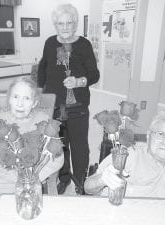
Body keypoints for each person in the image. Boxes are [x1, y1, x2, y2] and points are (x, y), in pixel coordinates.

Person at [0, 77, 64, 225]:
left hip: (31, 193)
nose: (20, 103)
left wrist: (33, 179)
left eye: (26, 98)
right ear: (9, 99)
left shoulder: (43, 122)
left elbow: (58, 156)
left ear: (34, 102)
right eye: (16, 97)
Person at [38, 3, 100, 195]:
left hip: (77, 106)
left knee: (79, 147)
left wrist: (80, 81)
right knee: (59, 145)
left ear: (75, 24)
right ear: (55, 25)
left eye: (69, 22)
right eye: (60, 23)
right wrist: (40, 95)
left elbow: (94, 74)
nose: (64, 27)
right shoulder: (50, 43)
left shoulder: (84, 45)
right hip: (55, 108)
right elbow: (43, 68)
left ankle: (81, 182)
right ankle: (63, 178)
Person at [84, 111, 165, 199]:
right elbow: (88, 187)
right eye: (160, 134)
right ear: (148, 136)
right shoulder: (128, 155)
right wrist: (102, 180)